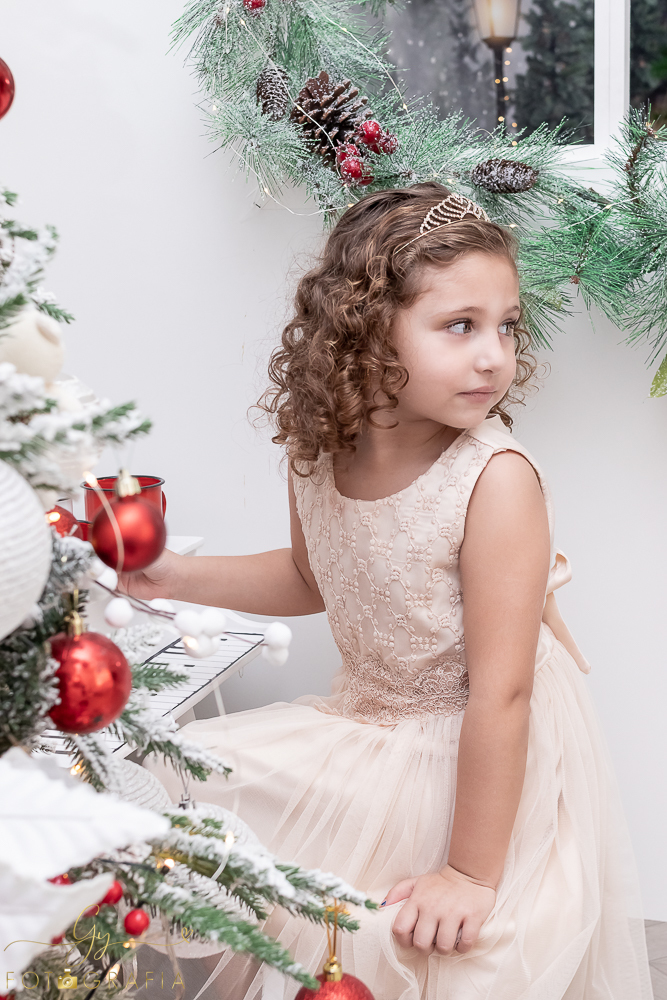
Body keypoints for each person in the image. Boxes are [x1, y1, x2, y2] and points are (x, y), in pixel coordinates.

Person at [136, 183, 652, 999]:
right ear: (367, 329)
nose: (493, 355)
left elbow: (502, 691)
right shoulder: (320, 451)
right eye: (459, 325)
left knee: (429, 950)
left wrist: (469, 874)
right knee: (169, 787)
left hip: (481, 739)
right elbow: (312, 576)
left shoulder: (494, 478)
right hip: (370, 721)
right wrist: (174, 576)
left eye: (506, 326)